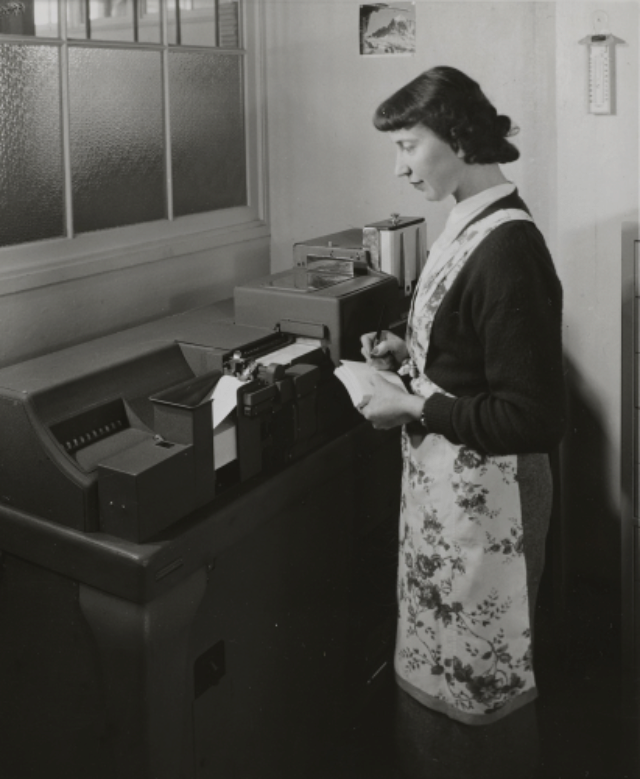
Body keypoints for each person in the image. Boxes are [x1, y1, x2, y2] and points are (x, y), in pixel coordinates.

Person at [359, 66, 565, 777]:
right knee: (439, 673)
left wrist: (413, 403)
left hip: (494, 507)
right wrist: (411, 353)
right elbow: (471, 350)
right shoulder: (465, 220)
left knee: (479, 683)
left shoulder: (510, 246)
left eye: (410, 145)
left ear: (458, 137)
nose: (400, 166)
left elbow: (534, 414)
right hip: (449, 501)